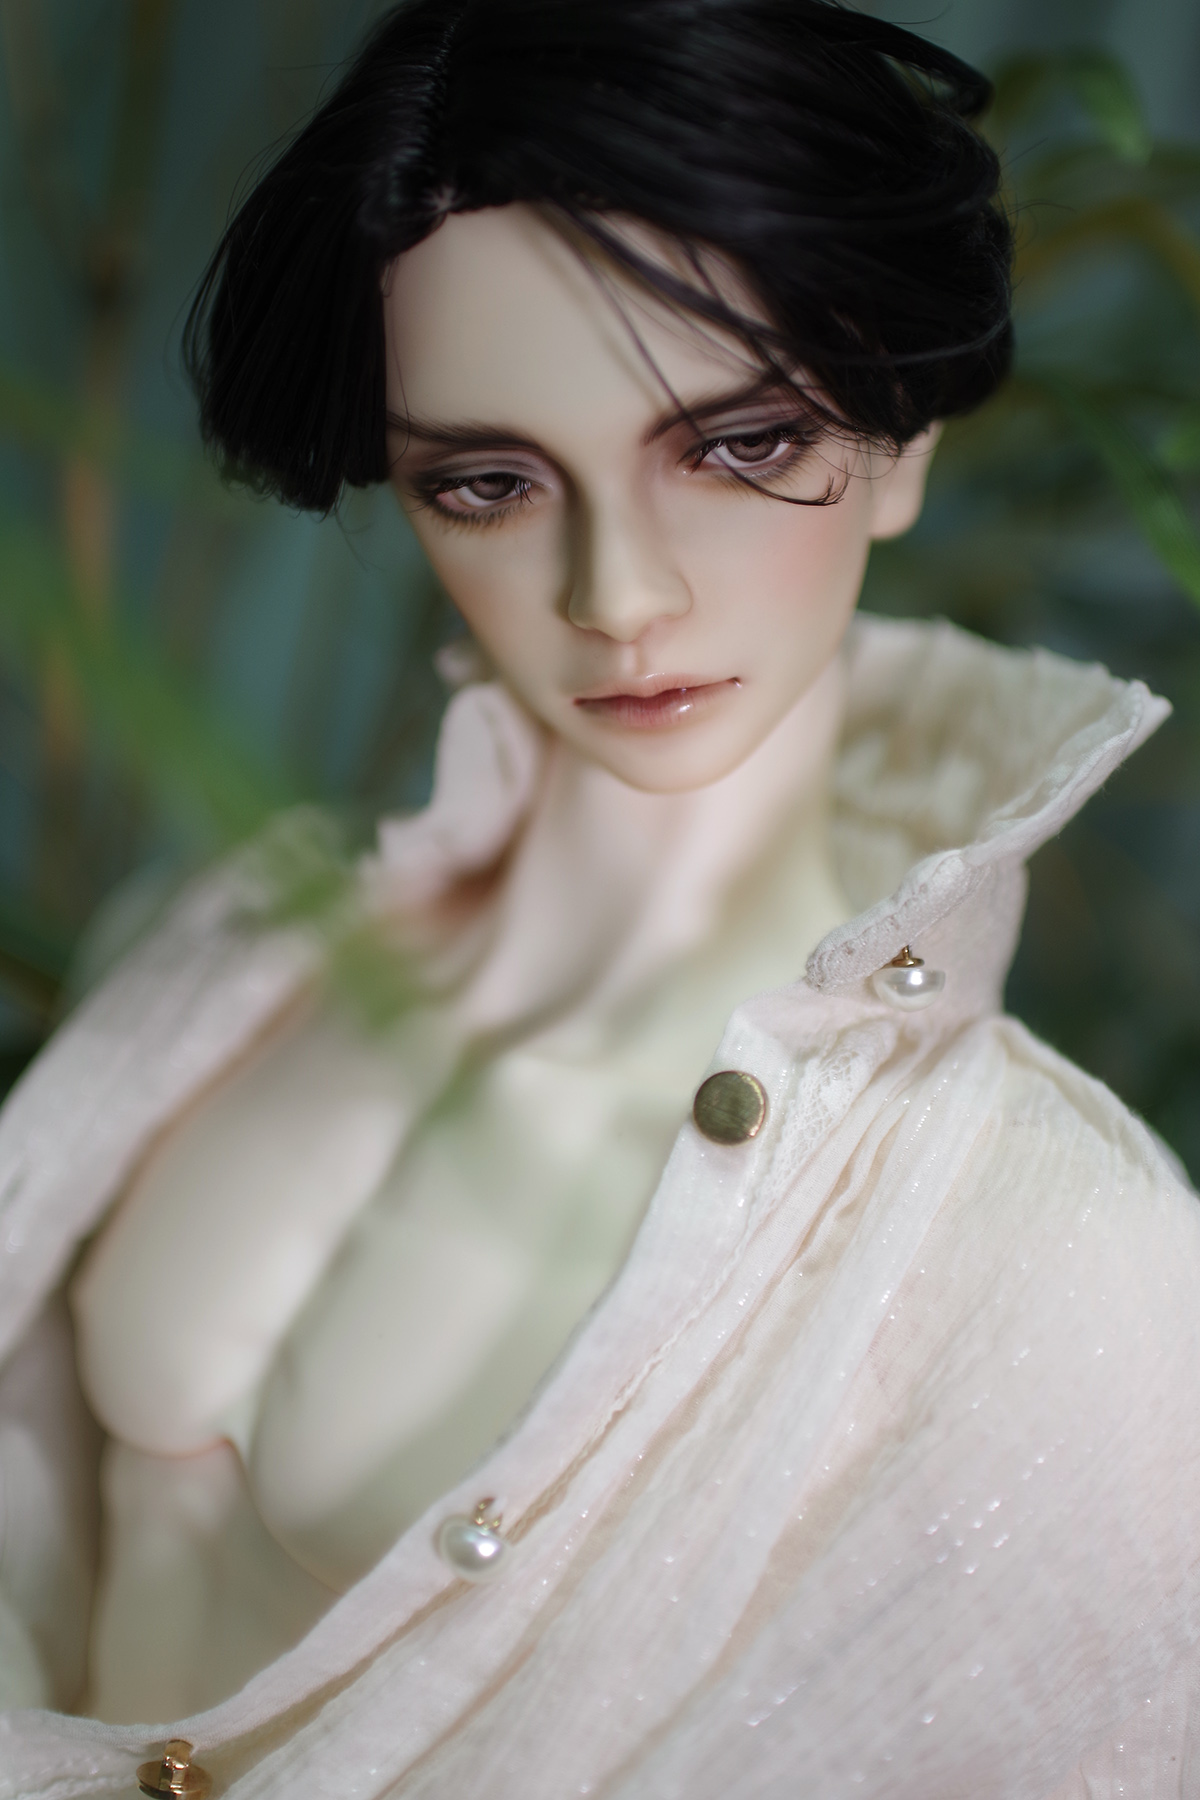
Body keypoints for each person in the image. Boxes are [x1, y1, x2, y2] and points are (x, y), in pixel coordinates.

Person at [2, 0, 1198, 1793]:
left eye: (738, 445)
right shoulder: (235, 941)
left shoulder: (1065, 1268)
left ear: (901, 443)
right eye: (487, 483)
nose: (617, 596)